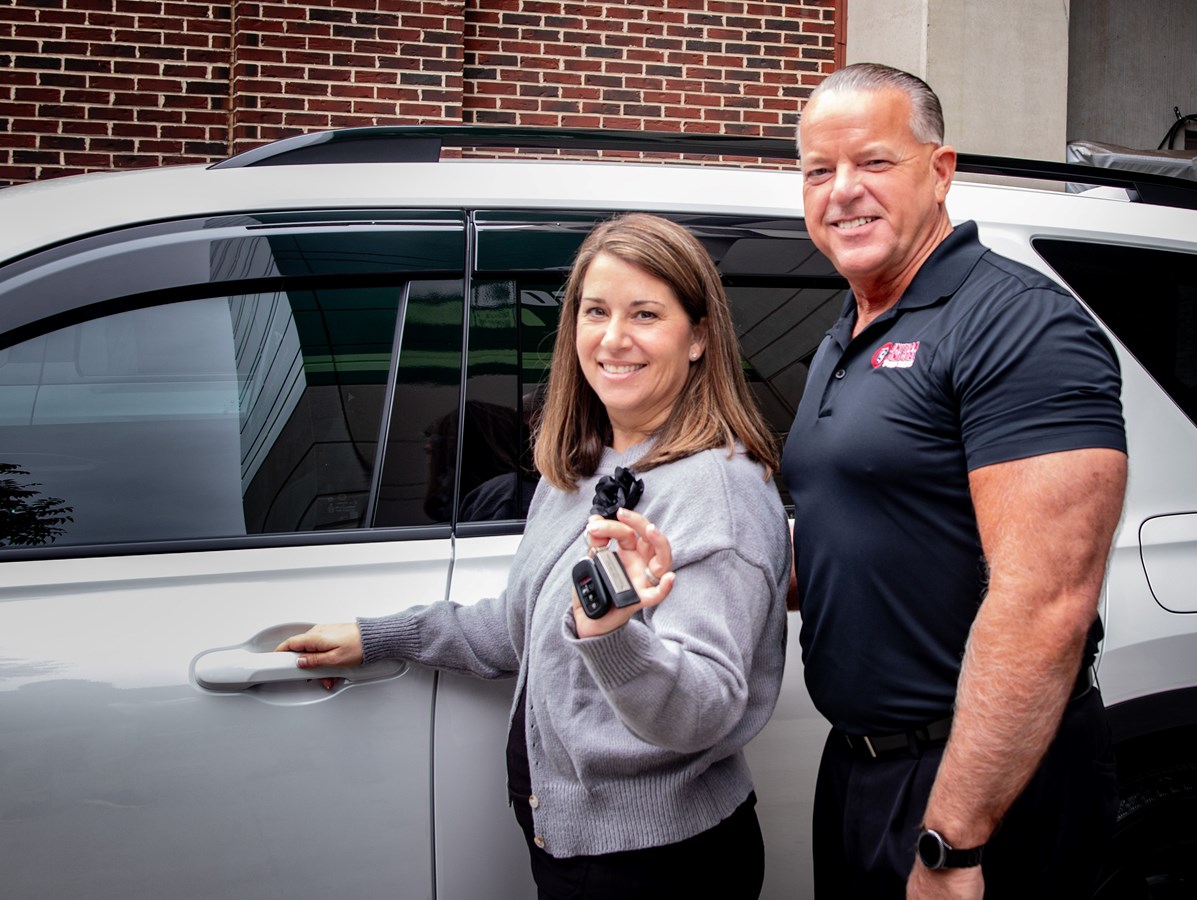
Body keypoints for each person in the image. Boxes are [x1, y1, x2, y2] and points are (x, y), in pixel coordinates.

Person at [276, 213, 790, 900]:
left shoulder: (716, 493)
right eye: (595, 311)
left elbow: (703, 710)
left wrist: (610, 631)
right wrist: (382, 636)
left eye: (645, 314)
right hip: (570, 840)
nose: (613, 338)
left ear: (698, 337)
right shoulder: (579, 471)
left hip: (655, 863)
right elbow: (519, 626)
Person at [781, 63, 1129, 899]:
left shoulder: (1016, 322)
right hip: (864, 769)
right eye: (817, 171)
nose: (841, 192)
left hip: (981, 789)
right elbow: (860, 528)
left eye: (873, 162)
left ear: (940, 171)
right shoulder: (853, 323)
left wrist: (954, 844)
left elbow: (1044, 607)